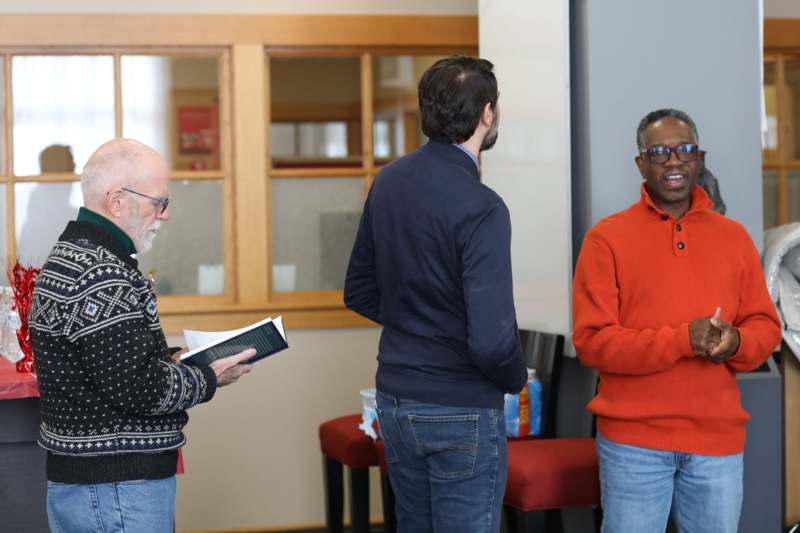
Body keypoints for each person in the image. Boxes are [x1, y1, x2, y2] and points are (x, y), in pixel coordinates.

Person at [29, 139, 255, 533]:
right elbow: (140, 389)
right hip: (115, 486)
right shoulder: (102, 273)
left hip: (96, 483)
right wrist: (208, 376)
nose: (164, 215)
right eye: (159, 202)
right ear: (117, 201)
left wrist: (176, 361)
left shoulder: (73, 256)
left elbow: (109, 365)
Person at [572, 108, 781, 533]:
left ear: (698, 159)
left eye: (684, 150)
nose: (673, 161)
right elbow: (592, 343)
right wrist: (684, 340)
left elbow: (765, 327)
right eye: (659, 152)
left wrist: (736, 342)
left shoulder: (733, 237)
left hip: (716, 443)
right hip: (634, 445)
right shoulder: (606, 239)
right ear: (641, 163)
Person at [344, 56, 527, 533]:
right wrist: (515, 380)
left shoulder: (389, 182)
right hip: (462, 405)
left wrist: (420, 324)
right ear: (487, 114)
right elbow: (491, 340)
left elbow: (359, 290)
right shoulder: (483, 207)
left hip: (397, 399)